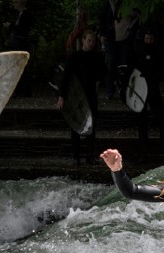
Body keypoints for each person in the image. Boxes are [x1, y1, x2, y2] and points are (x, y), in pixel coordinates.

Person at [57, 28, 105, 164]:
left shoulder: (98, 57)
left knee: (91, 126)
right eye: (88, 40)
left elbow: (100, 75)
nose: (91, 43)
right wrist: (62, 96)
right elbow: (66, 77)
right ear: (83, 40)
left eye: (93, 41)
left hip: (90, 95)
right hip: (76, 96)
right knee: (76, 126)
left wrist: (97, 86)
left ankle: (89, 156)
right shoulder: (75, 57)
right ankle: (76, 156)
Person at [132, 27, 164, 162]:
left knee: (161, 120)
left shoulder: (158, 52)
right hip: (141, 91)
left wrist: (155, 76)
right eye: (146, 39)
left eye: (150, 39)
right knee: (142, 123)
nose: (148, 41)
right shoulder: (138, 51)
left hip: (153, 89)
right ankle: (143, 154)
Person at [3, 0, 34, 96]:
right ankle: (22, 90)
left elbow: (23, 29)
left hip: (21, 43)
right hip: (19, 42)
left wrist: (11, 26)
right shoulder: (21, 14)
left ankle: (23, 91)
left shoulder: (26, 14)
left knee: (22, 66)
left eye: (16, 2)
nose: (14, 5)